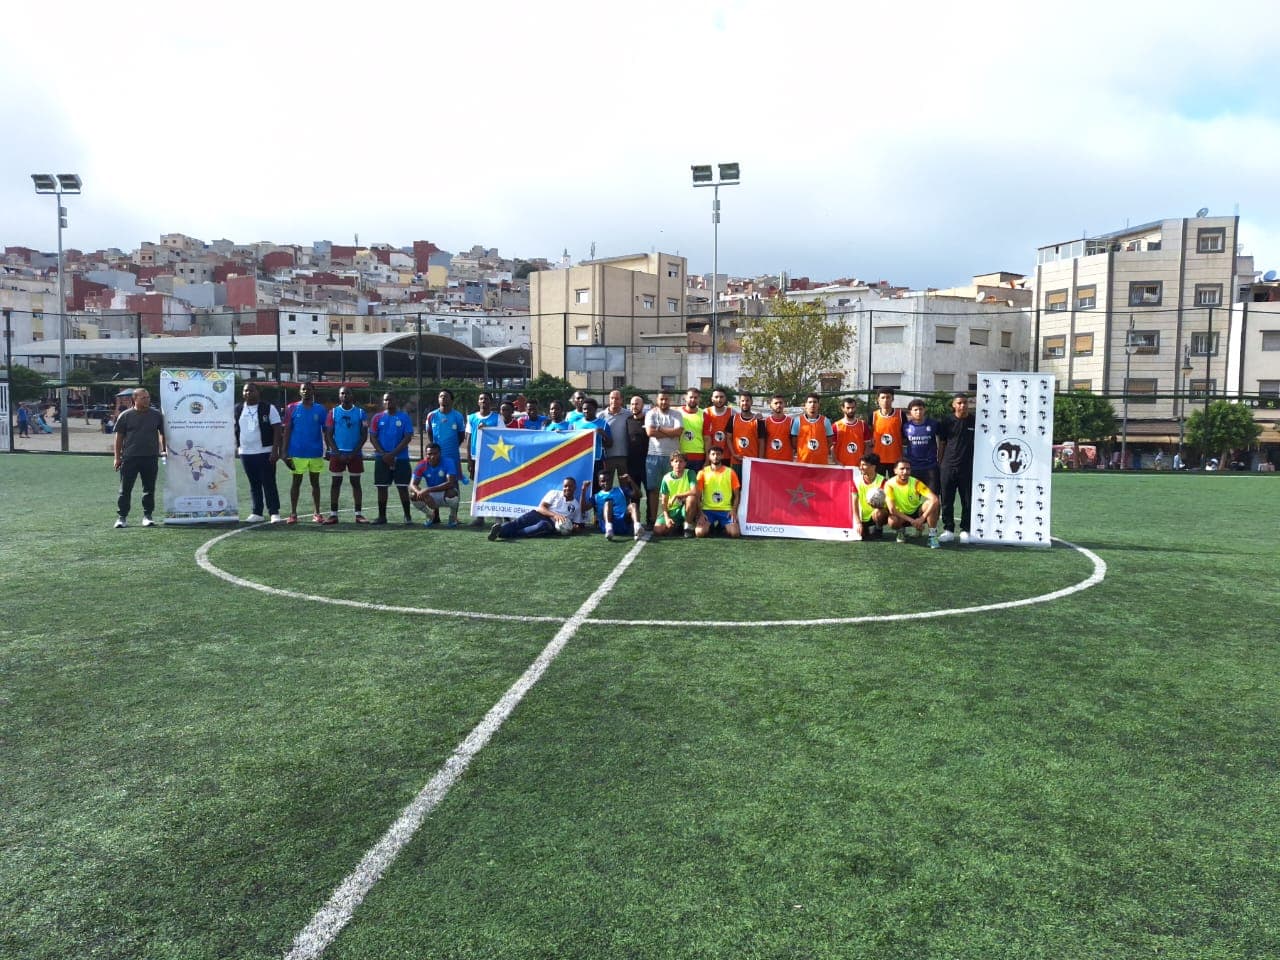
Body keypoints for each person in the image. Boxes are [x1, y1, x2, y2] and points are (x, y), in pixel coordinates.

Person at [112, 387, 167, 528]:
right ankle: (122, 517)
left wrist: (164, 449)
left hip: (150, 457)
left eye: (148, 397)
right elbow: (119, 437)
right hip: (130, 458)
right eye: (143, 398)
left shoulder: (156, 415)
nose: (147, 400)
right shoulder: (125, 415)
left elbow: (162, 433)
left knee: (149, 489)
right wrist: (117, 457)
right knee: (125, 490)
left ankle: (147, 516)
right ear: (135, 399)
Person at [235, 382, 283, 523]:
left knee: (269, 482)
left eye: (251, 390)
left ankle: (274, 512)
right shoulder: (238, 409)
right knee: (254, 483)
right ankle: (257, 512)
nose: (248, 393)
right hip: (246, 452)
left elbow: (277, 429)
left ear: (258, 392)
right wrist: (236, 447)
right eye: (245, 391)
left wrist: (275, 450)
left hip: (265, 451)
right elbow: (234, 428)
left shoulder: (268, 408)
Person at [281, 380, 327, 524]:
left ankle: (317, 513)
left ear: (313, 391)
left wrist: (330, 449)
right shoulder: (291, 408)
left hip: (315, 452)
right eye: (303, 389)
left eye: (309, 389)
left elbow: (326, 431)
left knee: (315, 483)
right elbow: (287, 431)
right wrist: (284, 451)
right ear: (300, 392)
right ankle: (293, 514)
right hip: (297, 452)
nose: (306, 391)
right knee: (296, 482)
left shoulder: (320, 409)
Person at [323, 386, 369, 524]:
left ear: (352, 395)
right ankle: (333, 515)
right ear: (339, 396)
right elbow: (329, 435)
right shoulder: (333, 412)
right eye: (342, 393)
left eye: (347, 393)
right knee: (335, 483)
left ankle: (358, 514)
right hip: (338, 454)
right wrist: (337, 452)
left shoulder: (361, 413)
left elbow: (364, 435)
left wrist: (354, 453)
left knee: (356, 483)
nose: (345, 395)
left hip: (355, 454)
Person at [369, 391, 415, 524]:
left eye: (391, 399)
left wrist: (393, 454)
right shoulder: (377, 417)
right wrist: (383, 454)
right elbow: (373, 437)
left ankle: (407, 516)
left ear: (396, 401)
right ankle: (382, 516)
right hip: (382, 458)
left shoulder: (404, 417)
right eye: (386, 400)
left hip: (401, 458)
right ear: (383, 402)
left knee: (402, 487)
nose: (388, 402)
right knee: (382, 487)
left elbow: (407, 437)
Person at [488, 476, 582, 540]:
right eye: (565, 486)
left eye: (570, 486)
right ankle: (499, 530)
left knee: (543, 526)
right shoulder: (554, 493)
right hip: (538, 514)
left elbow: (577, 524)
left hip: (551, 524)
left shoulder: (576, 506)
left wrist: (573, 528)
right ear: (563, 487)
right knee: (517, 523)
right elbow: (541, 508)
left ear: (575, 488)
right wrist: (555, 515)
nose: (567, 488)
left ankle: (502, 533)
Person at [936, 393, 976, 543]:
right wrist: (940, 463)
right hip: (948, 467)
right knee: (947, 500)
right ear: (953, 405)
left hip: (967, 467)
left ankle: (965, 530)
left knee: (967, 500)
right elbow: (942, 443)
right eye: (959, 403)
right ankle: (948, 530)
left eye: (965, 402)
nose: (962, 405)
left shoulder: (975, 420)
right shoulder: (946, 421)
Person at [644, 390, 683, 526]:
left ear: (670, 400)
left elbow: (678, 432)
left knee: (673, 490)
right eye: (661, 399)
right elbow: (650, 432)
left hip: (673, 458)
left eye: (666, 399)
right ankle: (653, 520)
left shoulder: (677, 414)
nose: (664, 402)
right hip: (654, 456)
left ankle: (673, 520)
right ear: (657, 400)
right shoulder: (651, 413)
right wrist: (670, 433)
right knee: (654, 489)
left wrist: (659, 429)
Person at [884, 458, 941, 548]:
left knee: (932, 503)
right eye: (902, 469)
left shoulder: (916, 482)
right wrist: (913, 521)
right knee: (892, 521)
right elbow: (892, 509)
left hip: (917, 513)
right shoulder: (889, 484)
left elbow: (935, 499)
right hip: (901, 516)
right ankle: (901, 530)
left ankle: (932, 536)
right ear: (895, 471)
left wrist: (921, 519)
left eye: (908, 469)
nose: (905, 472)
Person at [464, 391, 501, 524]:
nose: (483, 401)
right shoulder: (471, 418)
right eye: (481, 399)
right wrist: (469, 459)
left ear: (491, 402)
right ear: (478, 402)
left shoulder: (497, 418)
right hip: (476, 457)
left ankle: (498, 517)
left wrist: (488, 428)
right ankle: (480, 517)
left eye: (486, 399)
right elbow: (468, 439)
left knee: (495, 486)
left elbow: (502, 435)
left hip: (492, 457)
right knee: (478, 487)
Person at [409, 442, 461, 527]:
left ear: (440, 453)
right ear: (426, 454)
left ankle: (453, 516)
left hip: (445, 493)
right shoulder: (421, 464)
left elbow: (450, 483)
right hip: (430, 494)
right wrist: (422, 493)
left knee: (453, 494)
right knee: (413, 495)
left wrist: (428, 490)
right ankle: (430, 515)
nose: (432, 456)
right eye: (429, 454)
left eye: (435, 453)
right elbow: (412, 484)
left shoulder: (448, 462)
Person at [694, 445, 741, 538]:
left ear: (722, 456)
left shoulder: (730, 472)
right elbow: (697, 496)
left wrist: (734, 510)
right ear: (709, 456)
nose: (715, 456)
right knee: (699, 533)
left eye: (718, 454)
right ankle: (710, 526)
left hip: (726, 510)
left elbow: (737, 495)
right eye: (713, 454)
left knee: (735, 534)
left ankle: (722, 526)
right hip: (708, 510)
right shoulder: (702, 472)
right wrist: (700, 513)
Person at [652, 451, 698, 538]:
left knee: (691, 499)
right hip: (672, 510)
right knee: (658, 530)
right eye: (676, 461)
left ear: (685, 463)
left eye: (681, 461)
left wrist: (677, 495)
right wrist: (666, 518)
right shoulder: (666, 478)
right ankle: (678, 525)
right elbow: (664, 501)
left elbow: (694, 491)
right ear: (671, 463)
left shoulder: (690, 473)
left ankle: (687, 526)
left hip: (685, 508)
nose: (678, 464)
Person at [591, 469, 643, 541]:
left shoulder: (621, 490)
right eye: (603, 481)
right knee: (608, 503)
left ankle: (637, 528)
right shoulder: (596, 496)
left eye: (608, 480)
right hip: (607, 523)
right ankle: (609, 528)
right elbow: (583, 508)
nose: (606, 483)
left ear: (611, 480)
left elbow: (638, 495)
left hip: (623, 522)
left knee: (633, 505)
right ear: (599, 483)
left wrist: (631, 481)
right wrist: (584, 490)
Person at [624, 394, 652, 524]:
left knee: (650, 492)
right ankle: (635, 521)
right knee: (634, 493)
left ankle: (650, 520)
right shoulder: (628, 420)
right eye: (632, 404)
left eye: (637, 404)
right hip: (632, 463)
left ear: (642, 406)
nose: (634, 406)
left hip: (648, 463)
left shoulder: (649, 420)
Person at [903, 398, 941, 494]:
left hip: (930, 466)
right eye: (915, 410)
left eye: (921, 409)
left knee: (933, 497)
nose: (918, 412)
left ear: (924, 410)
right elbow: (902, 442)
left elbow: (943, 441)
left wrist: (939, 459)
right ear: (910, 412)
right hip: (913, 467)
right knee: (913, 498)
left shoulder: (933, 424)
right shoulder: (906, 426)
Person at [424, 389, 467, 474]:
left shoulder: (458, 416)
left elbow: (461, 436)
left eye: (446, 396)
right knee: (437, 478)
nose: (443, 398)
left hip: (452, 455)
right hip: (436, 456)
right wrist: (436, 448)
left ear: (451, 400)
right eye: (441, 396)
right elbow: (430, 433)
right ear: (438, 399)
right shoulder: (431, 415)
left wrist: (452, 446)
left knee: (453, 479)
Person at [852, 453, 889, 540]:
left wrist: (878, 504)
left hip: (876, 514)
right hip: (862, 516)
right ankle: (865, 527)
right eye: (860, 465)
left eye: (864, 465)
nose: (860, 467)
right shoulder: (856, 480)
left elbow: (888, 502)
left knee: (879, 513)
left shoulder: (883, 481)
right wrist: (858, 522)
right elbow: (854, 503)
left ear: (873, 467)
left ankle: (878, 528)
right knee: (862, 535)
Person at [574, 397, 612, 482]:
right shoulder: (575, 425)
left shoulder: (603, 424)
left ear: (595, 410)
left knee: (597, 485)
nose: (586, 411)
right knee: (582, 483)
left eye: (589, 409)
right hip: (581, 461)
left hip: (597, 461)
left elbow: (610, 444)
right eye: (584, 409)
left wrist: (603, 434)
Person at [871, 388, 906, 476]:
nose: (885, 400)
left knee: (895, 484)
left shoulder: (901, 415)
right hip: (878, 459)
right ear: (878, 399)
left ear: (892, 399)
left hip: (896, 459)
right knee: (878, 484)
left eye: (888, 397)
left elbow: (905, 436)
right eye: (883, 397)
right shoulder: (873, 415)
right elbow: (869, 438)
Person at [791, 393, 834, 464]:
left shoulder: (825, 421)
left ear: (818, 405)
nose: (812, 404)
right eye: (810, 402)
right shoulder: (797, 421)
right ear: (805, 405)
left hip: (821, 463)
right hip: (803, 462)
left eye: (815, 402)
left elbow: (829, 442)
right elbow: (794, 443)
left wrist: (820, 451)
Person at [728, 392, 763, 476]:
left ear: (751, 402)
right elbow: (728, 438)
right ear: (739, 403)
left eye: (747, 400)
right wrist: (733, 454)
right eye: (742, 401)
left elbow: (762, 442)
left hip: (752, 462)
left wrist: (760, 461)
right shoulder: (733, 419)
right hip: (736, 461)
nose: (745, 403)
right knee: (736, 484)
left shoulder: (759, 421)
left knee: (751, 485)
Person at [600, 389, 630, 483]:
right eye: (612, 398)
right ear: (609, 399)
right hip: (607, 457)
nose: (614, 400)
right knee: (607, 484)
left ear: (621, 400)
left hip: (624, 456)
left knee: (625, 485)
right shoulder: (601, 416)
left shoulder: (628, 414)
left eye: (617, 398)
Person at [832, 396, 870, 469]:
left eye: (853, 408)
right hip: (842, 466)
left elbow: (867, 445)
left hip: (859, 467)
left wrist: (864, 461)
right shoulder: (836, 426)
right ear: (842, 408)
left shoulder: (863, 425)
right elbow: (832, 447)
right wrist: (836, 462)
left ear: (856, 408)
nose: (850, 410)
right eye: (848, 408)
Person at [678, 387, 705, 473]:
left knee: (696, 482)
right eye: (691, 397)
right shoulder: (677, 413)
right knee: (682, 481)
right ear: (685, 398)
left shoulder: (704, 414)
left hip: (698, 457)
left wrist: (707, 460)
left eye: (695, 397)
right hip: (681, 456)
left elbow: (707, 439)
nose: (693, 400)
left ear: (699, 399)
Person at [702, 389, 734, 458]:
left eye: (721, 397)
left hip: (727, 456)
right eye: (716, 397)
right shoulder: (705, 412)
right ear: (712, 399)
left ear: (725, 398)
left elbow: (746, 417)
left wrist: (756, 416)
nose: (719, 400)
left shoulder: (732, 412)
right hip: (711, 456)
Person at [762, 393, 794, 461]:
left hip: (786, 461)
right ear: (771, 405)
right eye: (776, 403)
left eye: (780, 403)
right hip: (770, 461)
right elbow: (762, 443)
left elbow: (795, 444)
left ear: (784, 404)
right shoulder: (765, 422)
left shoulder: (791, 422)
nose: (778, 405)